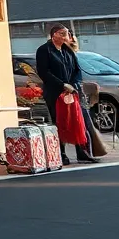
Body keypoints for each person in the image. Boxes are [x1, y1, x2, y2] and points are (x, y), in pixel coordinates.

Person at [35, 25, 97, 164]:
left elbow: (77, 70)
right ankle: (61, 153)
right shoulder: (45, 50)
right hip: (55, 92)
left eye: (67, 34)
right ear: (54, 35)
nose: (66, 36)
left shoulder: (67, 50)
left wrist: (73, 84)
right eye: (62, 33)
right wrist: (62, 85)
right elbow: (44, 72)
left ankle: (82, 152)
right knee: (60, 122)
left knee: (76, 121)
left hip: (71, 91)